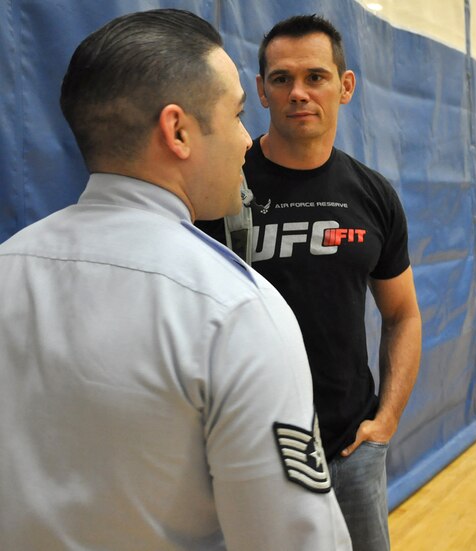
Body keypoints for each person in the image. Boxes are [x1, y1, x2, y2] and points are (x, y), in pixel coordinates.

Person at [0, 9, 351, 550]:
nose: (245, 141)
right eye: (236, 115)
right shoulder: (235, 311)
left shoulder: (9, 266)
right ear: (178, 130)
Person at [198, 14, 422, 551]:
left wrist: (384, 422)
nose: (299, 93)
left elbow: (403, 314)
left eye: (315, 77)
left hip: (349, 450)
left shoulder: (373, 195)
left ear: (345, 88)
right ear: (260, 91)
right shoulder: (217, 184)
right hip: (241, 450)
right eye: (282, 79)